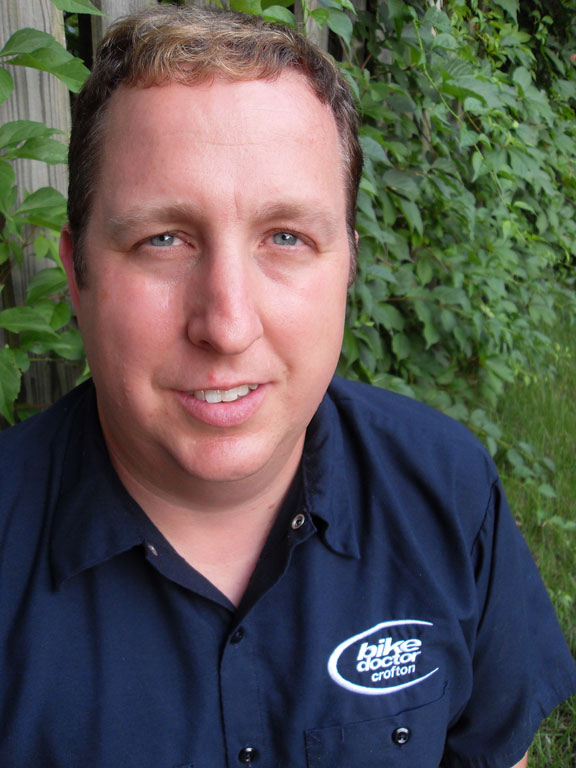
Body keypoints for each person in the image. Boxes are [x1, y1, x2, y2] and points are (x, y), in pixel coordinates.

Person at [0, 5, 574, 767]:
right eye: (163, 239)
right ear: (79, 275)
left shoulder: (445, 487)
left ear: (348, 267)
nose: (227, 325)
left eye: (286, 238)